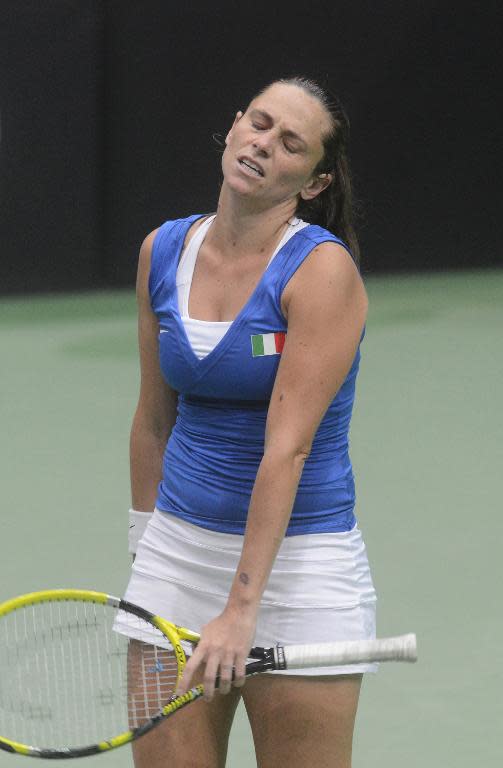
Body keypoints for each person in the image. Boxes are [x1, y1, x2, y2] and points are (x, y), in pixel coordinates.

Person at [123, 75, 377, 768]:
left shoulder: (321, 274)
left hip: (299, 569)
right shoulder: (162, 251)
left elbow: (286, 450)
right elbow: (152, 420)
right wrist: (146, 551)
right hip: (176, 558)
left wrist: (242, 610)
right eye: (259, 124)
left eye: (290, 143)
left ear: (315, 181)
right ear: (234, 126)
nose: (264, 144)